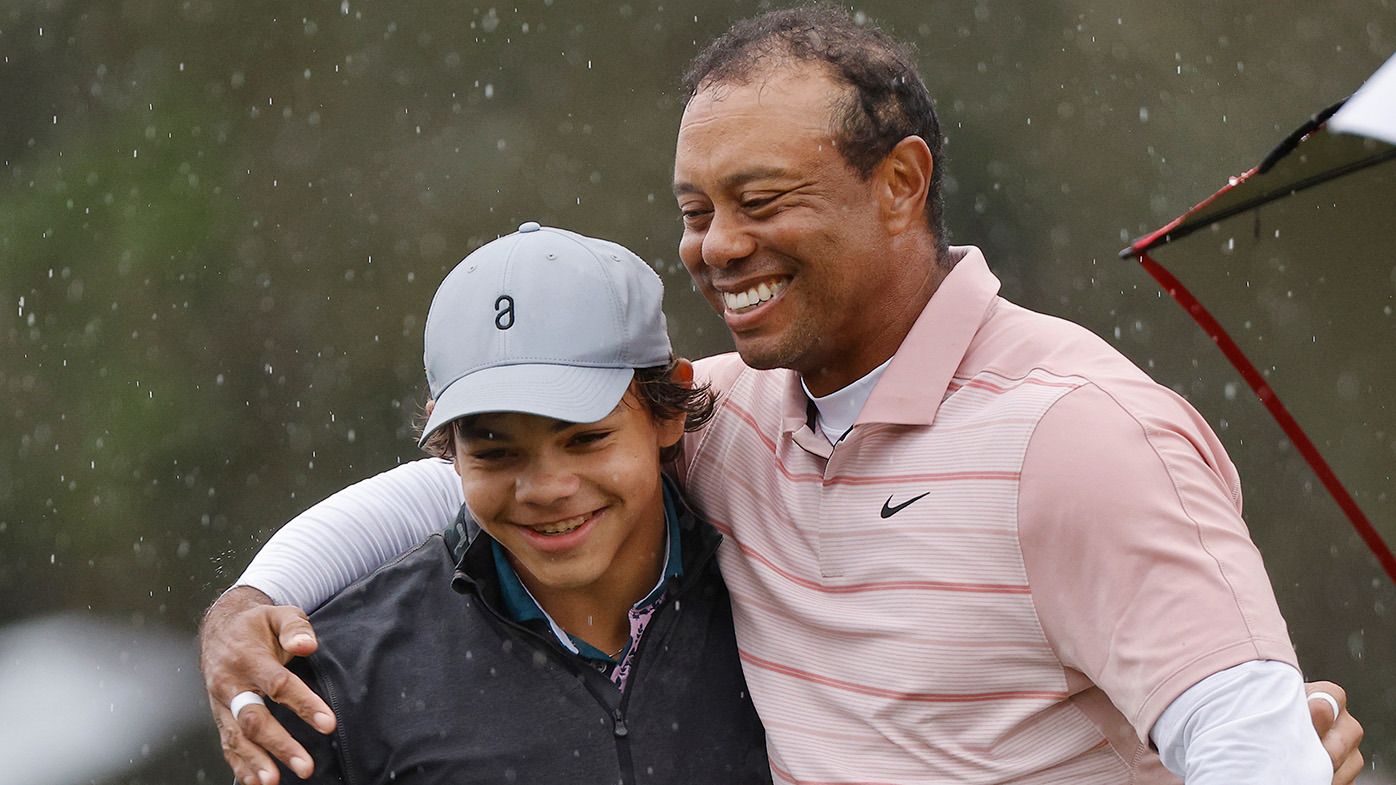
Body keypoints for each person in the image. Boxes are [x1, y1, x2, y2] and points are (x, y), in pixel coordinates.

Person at [201, 6, 1366, 785]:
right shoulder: (739, 412)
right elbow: (466, 483)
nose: (718, 248)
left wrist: (1276, 728)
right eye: (696, 210)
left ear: (901, 182)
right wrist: (255, 599)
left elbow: (1251, 747)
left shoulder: (1078, 432)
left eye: (760, 198)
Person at [247, 222, 770, 783]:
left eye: (585, 438)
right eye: (496, 453)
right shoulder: (336, 682)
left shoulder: (777, 587)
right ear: (450, 449)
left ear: (668, 412)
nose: (545, 489)